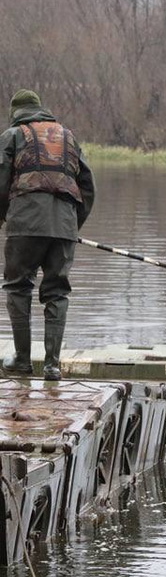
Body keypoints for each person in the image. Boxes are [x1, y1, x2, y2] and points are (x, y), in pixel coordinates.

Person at [0, 89, 95, 382]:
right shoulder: (68, 137)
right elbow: (88, 186)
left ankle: (22, 361)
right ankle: (53, 365)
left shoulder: (12, 135)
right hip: (64, 227)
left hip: (25, 224)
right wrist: (70, 226)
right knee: (57, 291)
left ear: (16, 112)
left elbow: (1, 180)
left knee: (18, 287)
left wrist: (3, 218)